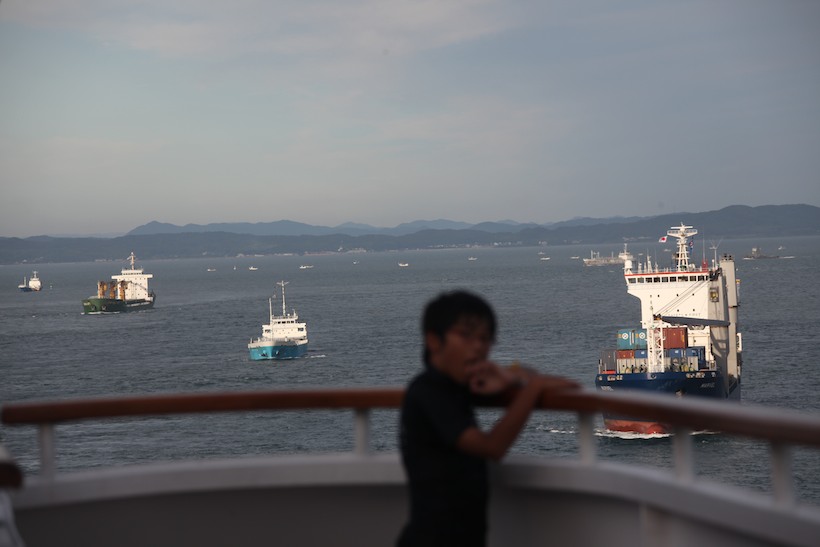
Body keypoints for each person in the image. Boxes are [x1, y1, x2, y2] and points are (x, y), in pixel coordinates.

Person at [397, 290, 580, 547]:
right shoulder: (428, 392)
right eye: (465, 335)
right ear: (434, 341)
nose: (478, 346)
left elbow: (565, 384)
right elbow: (491, 447)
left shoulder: (453, 388)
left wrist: (511, 377)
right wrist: (532, 388)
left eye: (484, 338)